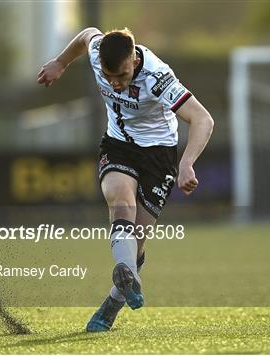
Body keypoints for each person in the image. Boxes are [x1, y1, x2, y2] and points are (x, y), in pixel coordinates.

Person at [37, 27, 214, 332]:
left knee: (137, 241)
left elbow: (203, 119)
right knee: (121, 204)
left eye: (120, 76)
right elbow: (87, 35)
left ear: (133, 59)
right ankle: (123, 284)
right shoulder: (98, 53)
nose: (115, 84)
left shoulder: (158, 78)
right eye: (108, 77)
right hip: (118, 145)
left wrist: (187, 164)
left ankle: (115, 297)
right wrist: (60, 63)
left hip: (159, 156)